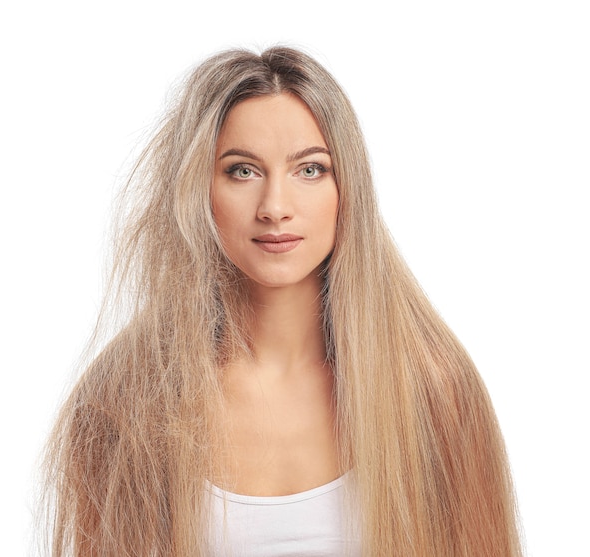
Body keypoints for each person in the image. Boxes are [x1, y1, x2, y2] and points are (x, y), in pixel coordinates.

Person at [42, 46, 522, 556]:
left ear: (348, 189)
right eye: (242, 171)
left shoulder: (432, 389)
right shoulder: (125, 402)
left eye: (310, 170)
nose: (275, 208)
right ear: (197, 191)